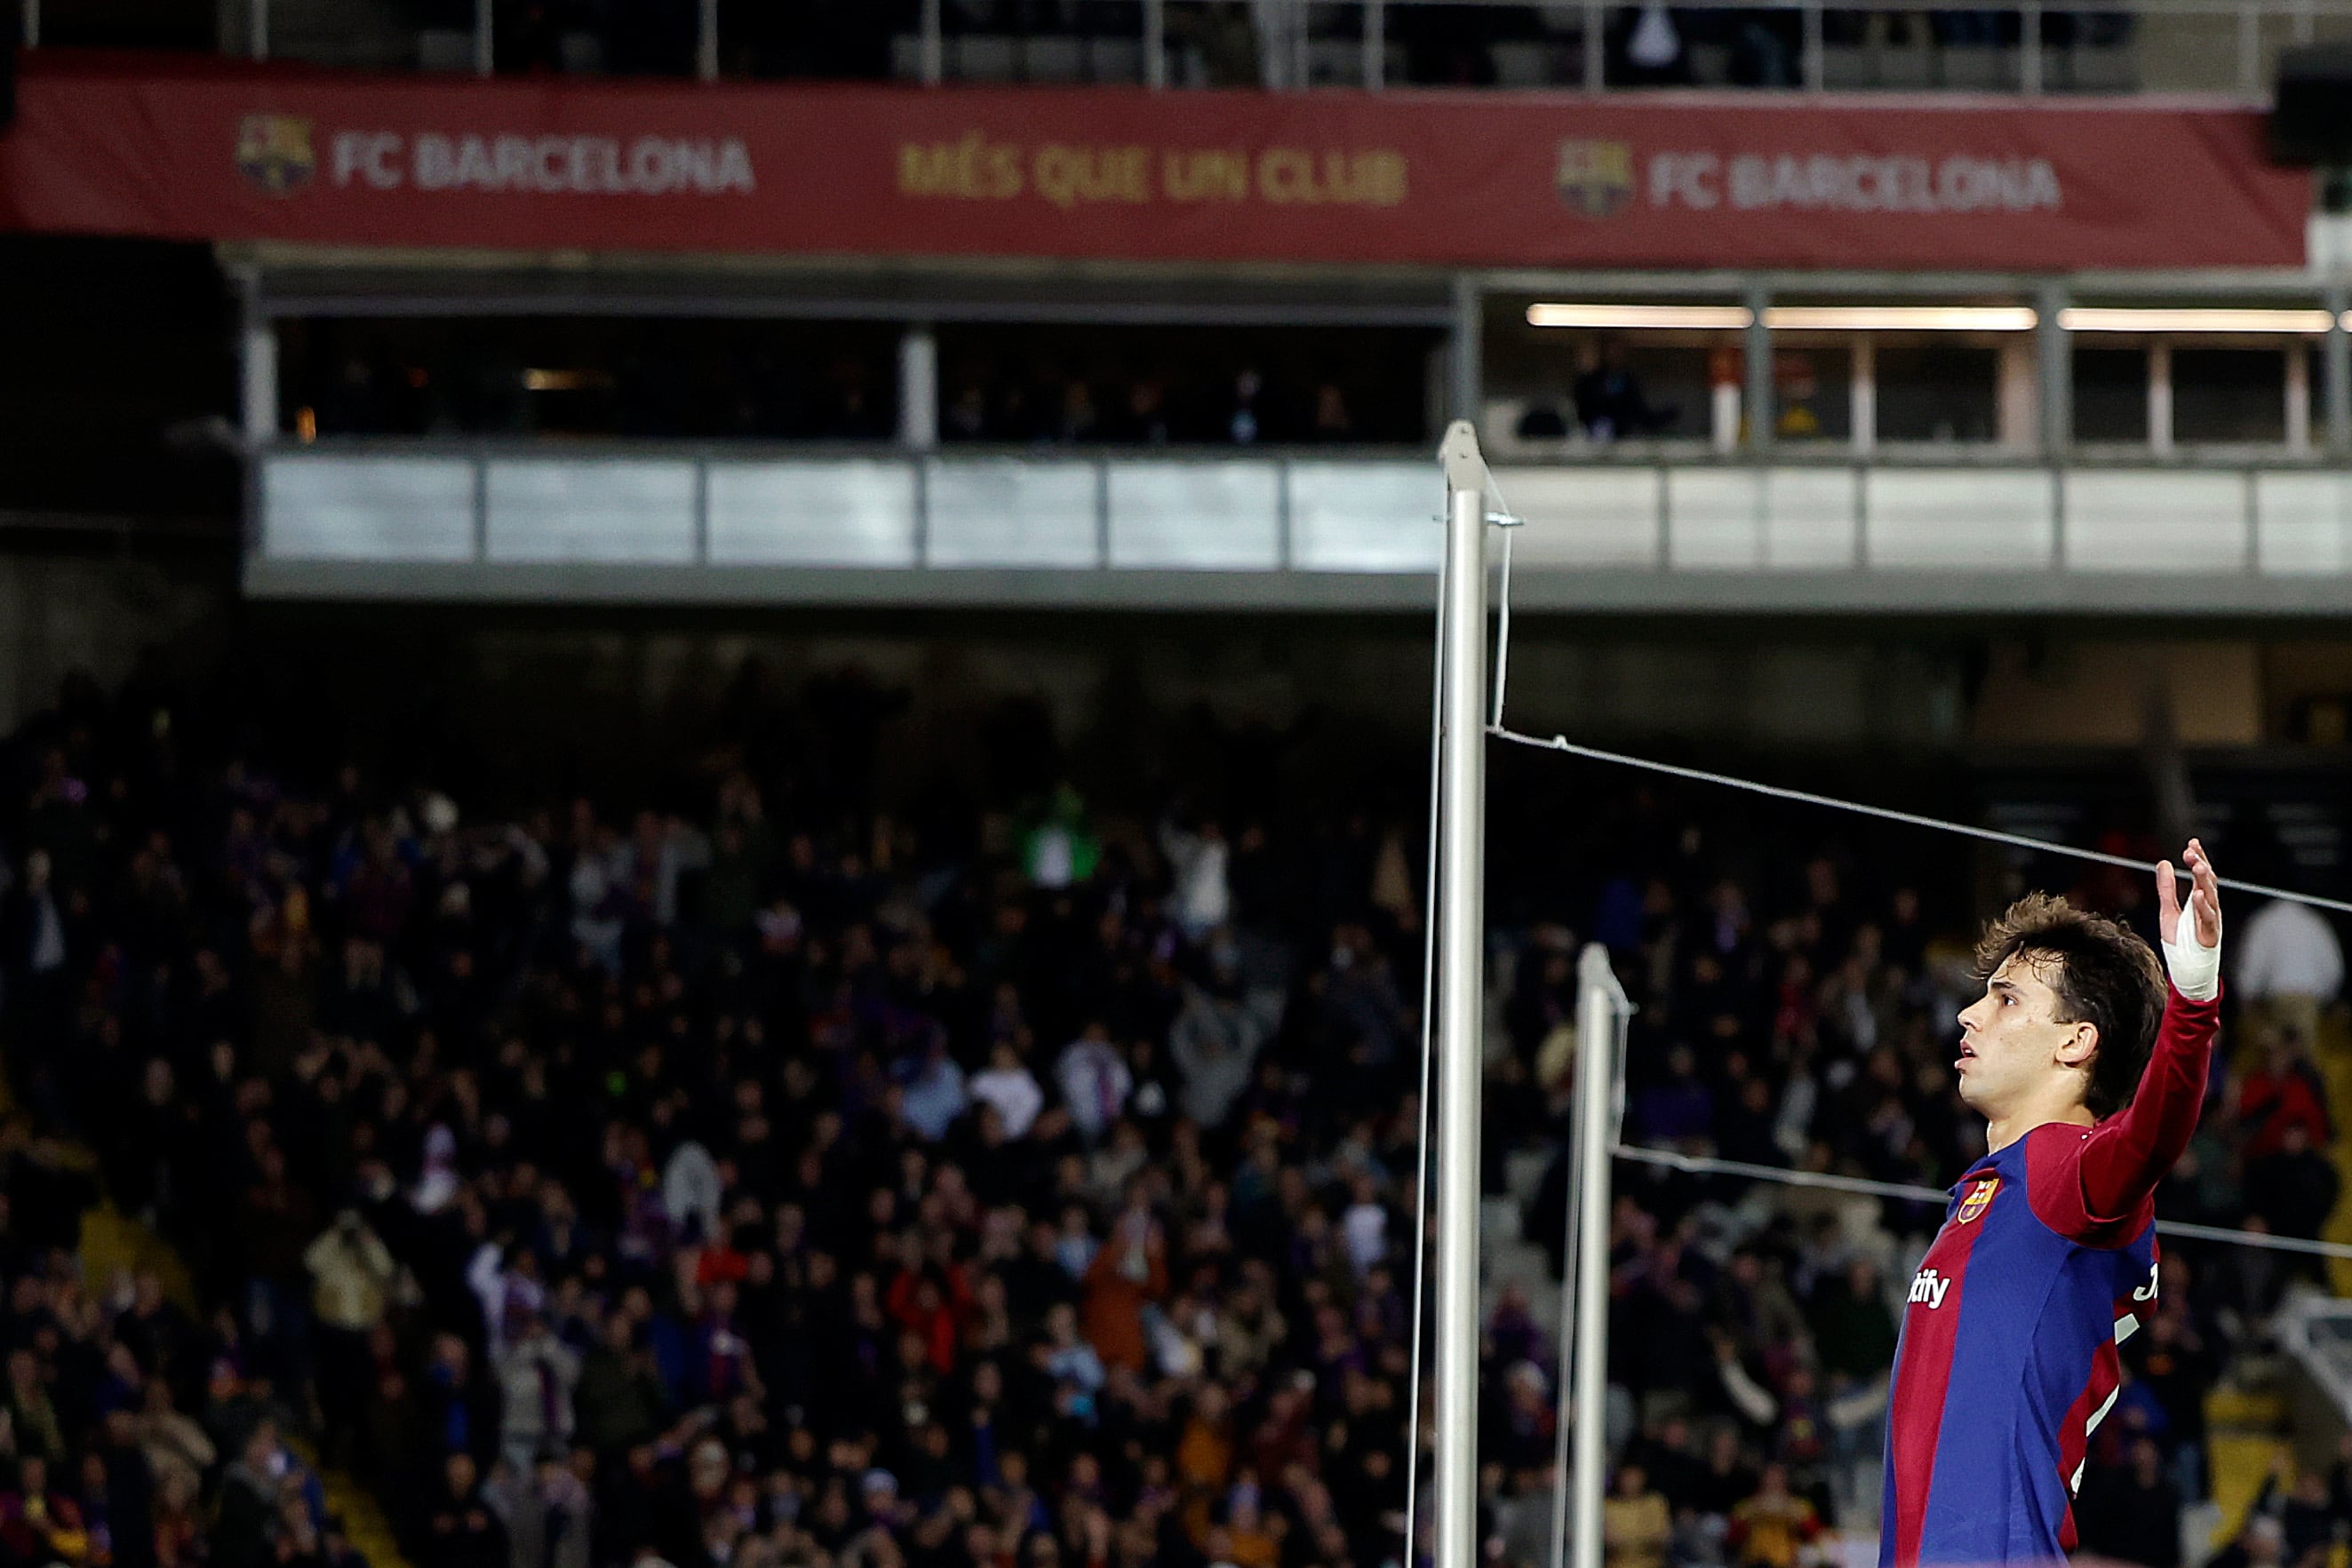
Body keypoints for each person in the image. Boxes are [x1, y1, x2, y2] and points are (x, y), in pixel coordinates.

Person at [1879, 842, 2225, 1568]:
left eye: (2005, 998)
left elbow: (2150, 1139)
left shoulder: (2065, 1169)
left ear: (2075, 1041)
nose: (1968, 1015)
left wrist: (2190, 1005)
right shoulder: (1986, 1192)